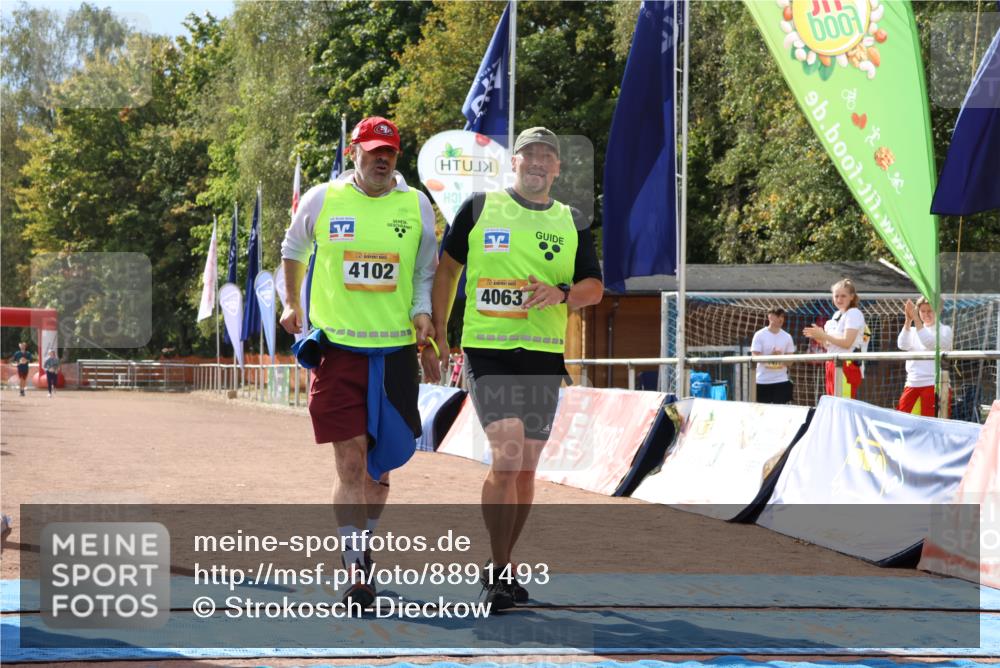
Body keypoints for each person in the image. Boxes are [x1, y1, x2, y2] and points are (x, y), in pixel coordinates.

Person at [421, 127, 604, 610]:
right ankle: (497, 569)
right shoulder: (481, 208)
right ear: (515, 164)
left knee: (525, 469)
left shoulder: (571, 220)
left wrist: (563, 294)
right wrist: (440, 332)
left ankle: (506, 565)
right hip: (488, 352)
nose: (539, 163)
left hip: (544, 357)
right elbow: (447, 271)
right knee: (506, 456)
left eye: (548, 156)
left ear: (558, 168)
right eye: (530, 156)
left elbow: (594, 288)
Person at [278, 116, 437, 609]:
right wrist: (290, 303)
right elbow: (293, 248)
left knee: (379, 468)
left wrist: (422, 314)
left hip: (394, 356)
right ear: (355, 153)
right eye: (372, 151)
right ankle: (354, 568)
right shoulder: (323, 199)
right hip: (338, 351)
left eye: (388, 151)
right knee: (349, 462)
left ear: (397, 155)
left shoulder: (416, 205)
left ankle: (363, 546)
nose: (381, 159)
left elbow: (423, 271)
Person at [804, 278, 866, 399]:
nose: (839, 299)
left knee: (843, 405)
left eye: (843, 296)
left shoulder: (854, 313)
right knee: (834, 403)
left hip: (846, 365)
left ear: (852, 297)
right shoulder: (836, 315)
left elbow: (847, 343)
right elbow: (829, 345)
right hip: (832, 362)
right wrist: (818, 337)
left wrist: (824, 336)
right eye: (836, 296)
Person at [896, 297, 953, 417]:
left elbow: (929, 342)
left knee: (931, 425)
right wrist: (908, 320)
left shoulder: (945, 330)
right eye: (922, 311)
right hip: (912, 383)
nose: (926, 314)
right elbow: (902, 345)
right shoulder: (912, 330)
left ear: (939, 310)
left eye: (930, 311)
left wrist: (916, 319)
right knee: (902, 420)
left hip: (934, 384)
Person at [750, 307, 796, 404]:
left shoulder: (787, 337)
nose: (781, 319)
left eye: (782, 316)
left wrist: (780, 357)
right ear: (770, 316)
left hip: (781, 381)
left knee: (780, 413)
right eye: (778, 316)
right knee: (762, 413)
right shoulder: (759, 335)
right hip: (762, 381)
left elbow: (790, 362)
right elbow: (755, 357)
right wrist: (771, 356)